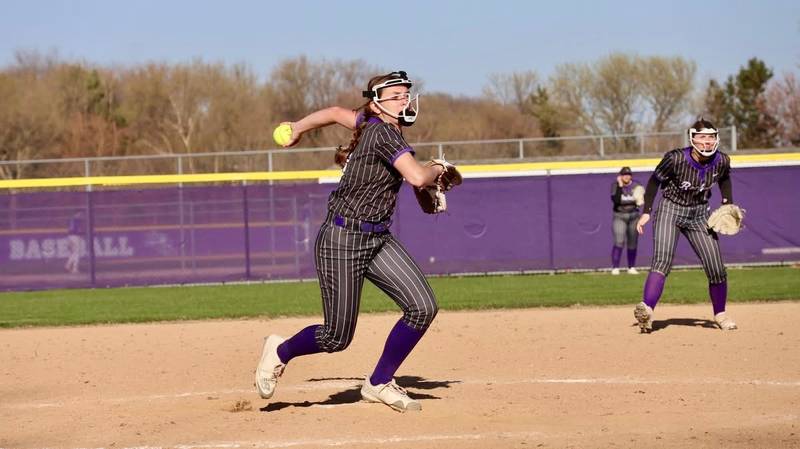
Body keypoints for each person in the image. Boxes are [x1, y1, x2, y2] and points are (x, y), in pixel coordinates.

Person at [255, 71, 448, 412]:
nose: (404, 100)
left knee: (422, 307)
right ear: (377, 104)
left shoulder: (370, 122)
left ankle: (379, 382)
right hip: (341, 239)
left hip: (377, 238)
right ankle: (280, 351)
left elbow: (333, 113)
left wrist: (298, 127)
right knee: (336, 337)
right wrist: (438, 168)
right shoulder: (382, 133)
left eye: (406, 94)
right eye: (396, 96)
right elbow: (418, 176)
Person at [634, 118, 737, 333]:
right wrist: (647, 212)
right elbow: (654, 181)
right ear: (692, 139)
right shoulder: (675, 158)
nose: (707, 141)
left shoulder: (722, 160)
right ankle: (647, 310)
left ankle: (720, 314)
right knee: (662, 260)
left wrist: (727, 202)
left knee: (716, 266)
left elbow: (724, 178)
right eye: (702, 137)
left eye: (711, 137)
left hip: (699, 214)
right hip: (670, 210)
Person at [610, 166, 642, 275]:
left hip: (633, 216)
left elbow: (641, 200)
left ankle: (631, 267)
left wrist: (640, 200)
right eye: (624, 175)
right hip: (620, 215)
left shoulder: (636, 186)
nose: (626, 177)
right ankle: (615, 267)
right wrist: (620, 186)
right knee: (619, 241)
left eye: (628, 175)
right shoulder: (615, 185)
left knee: (632, 242)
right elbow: (616, 200)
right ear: (620, 176)